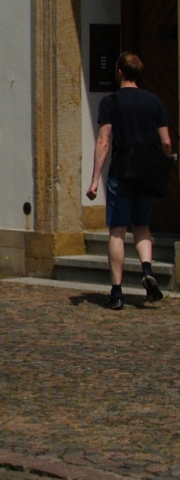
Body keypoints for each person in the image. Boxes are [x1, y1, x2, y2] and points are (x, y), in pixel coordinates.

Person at [86, 52, 174, 310]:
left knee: (117, 231)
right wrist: (162, 165)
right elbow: (166, 141)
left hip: (121, 172)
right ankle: (146, 270)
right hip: (146, 174)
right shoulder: (154, 101)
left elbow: (104, 141)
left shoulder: (111, 102)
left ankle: (116, 292)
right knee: (143, 225)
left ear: (120, 73)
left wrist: (94, 180)